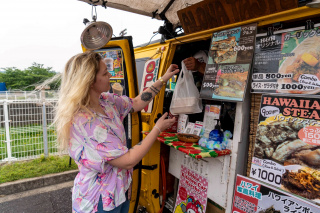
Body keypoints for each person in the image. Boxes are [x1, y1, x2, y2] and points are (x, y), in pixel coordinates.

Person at [54, 51, 179, 213]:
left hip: (118, 191)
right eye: (105, 73)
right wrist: (157, 129)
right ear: (90, 81)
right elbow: (127, 160)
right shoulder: (86, 121)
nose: (110, 76)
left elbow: (136, 102)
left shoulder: (106, 100)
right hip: (98, 200)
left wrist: (163, 79)